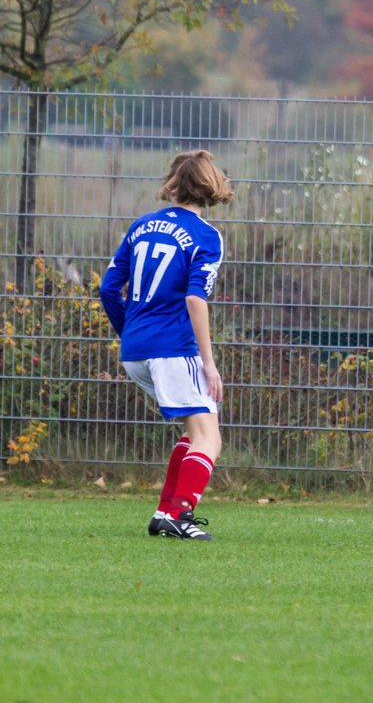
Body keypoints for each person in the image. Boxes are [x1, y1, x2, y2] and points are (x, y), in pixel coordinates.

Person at [100, 150, 233, 540]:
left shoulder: (141, 226)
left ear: (174, 183)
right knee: (210, 438)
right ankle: (180, 516)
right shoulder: (207, 236)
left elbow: (109, 289)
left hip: (135, 351)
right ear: (211, 185)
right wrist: (208, 363)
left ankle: (165, 514)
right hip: (173, 349)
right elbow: (195, 299)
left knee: (196, 432)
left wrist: (132, 334)